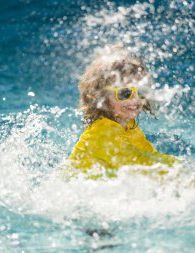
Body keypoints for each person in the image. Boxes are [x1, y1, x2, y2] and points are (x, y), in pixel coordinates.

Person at [67, 47, 178, 178]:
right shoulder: (103, 133)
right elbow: (141, 166)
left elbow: (151, 156)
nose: (136, 100)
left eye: (141, 92)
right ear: (101, 96)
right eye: (125, 93)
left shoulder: (129, 126)